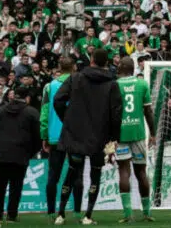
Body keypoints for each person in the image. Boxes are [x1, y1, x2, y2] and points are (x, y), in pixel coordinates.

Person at [54, 48, 123, 226]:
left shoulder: (75, 78)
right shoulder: (112, 84)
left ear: (91, 60)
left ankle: (60, 214)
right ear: (106, 63)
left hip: (76, 134)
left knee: (71, 171)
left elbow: (58, 100)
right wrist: (114, 138)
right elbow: (117, 114)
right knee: (95, 174)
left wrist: (67, 120)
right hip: (99, 138)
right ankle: (88, 216)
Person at [0, 85, 41, 224]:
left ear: (13, 95)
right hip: (20, 154)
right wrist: (29, 153)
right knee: (16, 187)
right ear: (28, 98)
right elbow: (38, 137)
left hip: (1, 153)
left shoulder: (0, 110)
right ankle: (12, 215)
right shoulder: (32, 112)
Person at [116, 57, 157, 223]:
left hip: (120, 135)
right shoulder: (142, 84)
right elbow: (148, 111)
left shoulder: (115, 85)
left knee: (123, 172)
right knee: (141, 172)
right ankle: (146, 213)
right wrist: (153, 133)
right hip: (138, 134)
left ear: (120, 68)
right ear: (133, 69)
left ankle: (127, 214)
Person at [41, 57, 78, 219]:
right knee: (76, 173)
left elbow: (44, 114)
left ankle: (50, 211)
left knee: (53, 176)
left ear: (58, 68)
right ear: (74, 68)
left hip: (55, 136)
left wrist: (44, 136)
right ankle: (77, 211)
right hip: (75, 135)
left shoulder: (49, 87)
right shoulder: (80, 84)